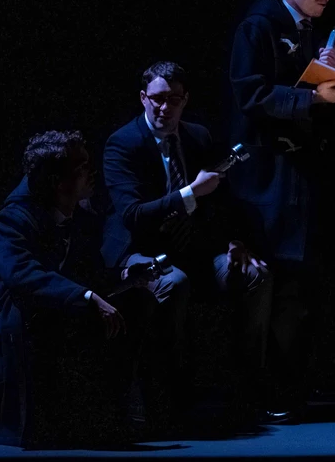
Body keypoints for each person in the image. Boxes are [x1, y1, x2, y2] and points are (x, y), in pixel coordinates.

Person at [0, 130, 158, 447]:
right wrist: (86, 297)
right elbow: (21, 273)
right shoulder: (15, 217)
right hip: (14, 316)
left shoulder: (76, 213)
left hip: (55, 306)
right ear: (58, 181)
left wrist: (126, 276)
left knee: (137, 301)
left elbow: (86, 272)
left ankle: (117, 413)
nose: (92, 172)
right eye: (82, 167)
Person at [99, 61, 260, 424]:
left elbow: (222, 200)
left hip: (191, 248)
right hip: (139, 249)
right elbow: (133, 215)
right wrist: (190, 193)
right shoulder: (122, 144)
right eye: (157, 98)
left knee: (254, 275)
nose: (164, 107)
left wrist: (235, 241)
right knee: (174, 283)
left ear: (185, 100)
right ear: (143, 98)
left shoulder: (197, 136)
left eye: (173, 99)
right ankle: (166, 397)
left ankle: (248, 388)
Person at [227, 0, 335, 422]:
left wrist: (326, 70)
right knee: (275, 281)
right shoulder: (257, 26)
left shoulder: (307, 28)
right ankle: (264, 389)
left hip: (301, 173)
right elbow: (249, 93)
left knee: (302, 283)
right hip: (267, 176)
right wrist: (312, 98)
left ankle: (294, 382)